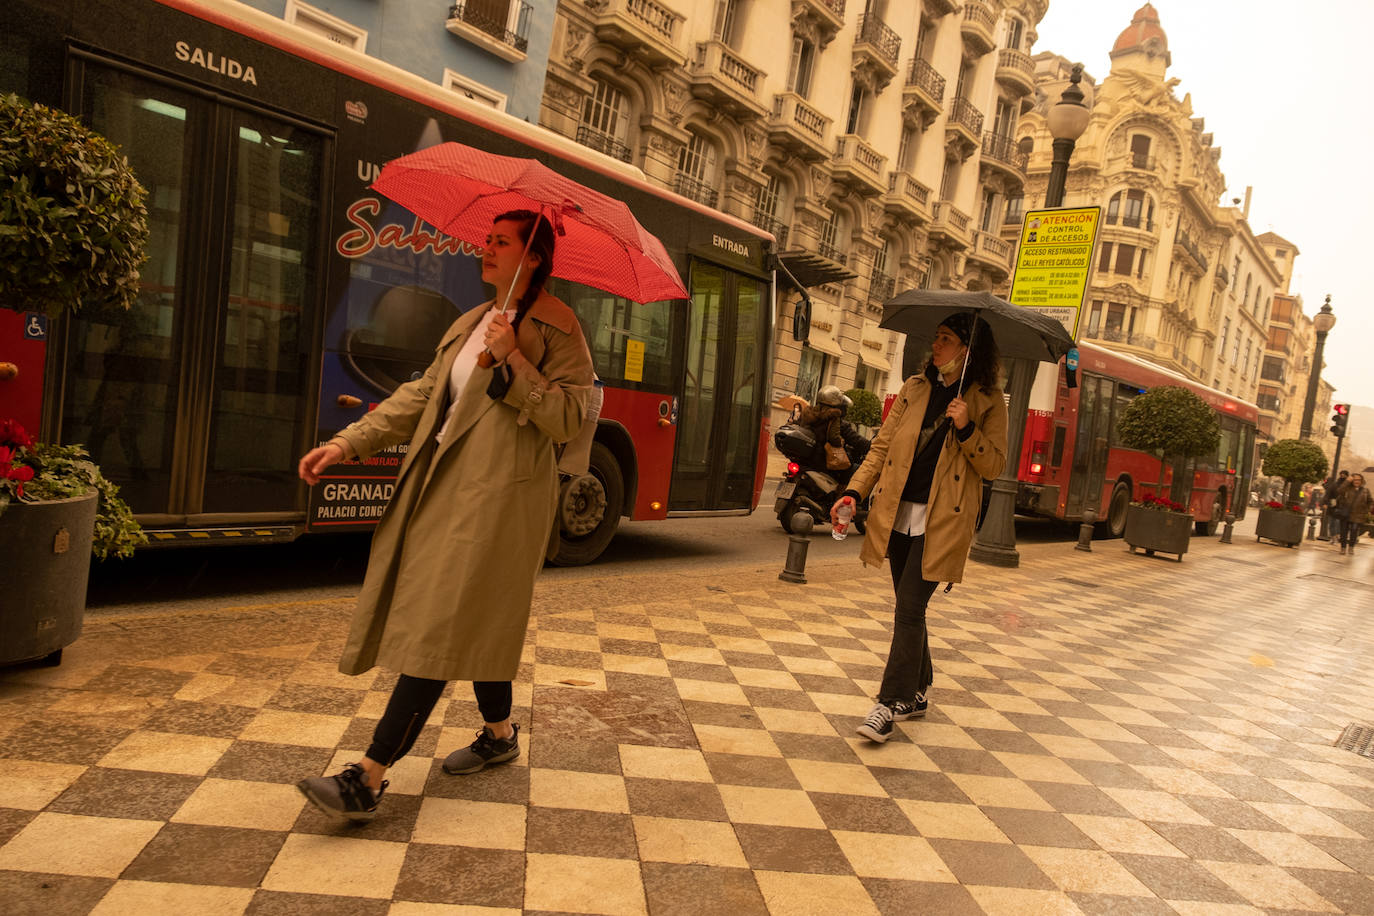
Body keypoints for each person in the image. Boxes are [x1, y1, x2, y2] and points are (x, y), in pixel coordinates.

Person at [294, 210, 594, 820]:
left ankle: (369, 777)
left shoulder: (561, 331)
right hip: (440, 487)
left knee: (440, 625)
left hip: (500, 501)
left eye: (501, 242)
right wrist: (348, 442)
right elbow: (421, 395)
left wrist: (516, 362)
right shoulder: (471, 321)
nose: (485, 249)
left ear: (532, 256)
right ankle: (501, 737)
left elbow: (568, 419)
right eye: (486, 239)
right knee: (473, 620)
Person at [831, 312, 1008, 743]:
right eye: (936, 337)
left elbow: (994, 465)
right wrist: (853, 492)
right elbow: (882, 447)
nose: (936, 345)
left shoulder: (987, 401)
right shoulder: (915, 388)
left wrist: (966, 428)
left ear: (966, 349)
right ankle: (919, 691)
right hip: (897, 513)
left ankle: (888, 705)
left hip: (942, 520)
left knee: (909, 607)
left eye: (946, 339)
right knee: (909, 606)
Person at [797, 385, 869, 475]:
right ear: (836, 404)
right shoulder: (834, 418)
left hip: (806, 459)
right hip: (824, 461)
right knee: (856, 470)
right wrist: (870, 446)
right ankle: (843, 489)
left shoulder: (808, 414)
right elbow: (851, 439)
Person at [1333, 472, 1369, 555]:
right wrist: (1347, 481)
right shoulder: (1347, 488)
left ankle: (1351, 548)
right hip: (1346, 514)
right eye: (1355, 480)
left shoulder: (1365, 490)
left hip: (1357, 515)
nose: (1357, 481)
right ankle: (1343, 548)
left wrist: (1366, 510)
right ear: (1352, 481)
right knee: (1343, 532)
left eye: (1359, 480)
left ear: (1362, 481)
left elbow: (1370, 501)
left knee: (1354, 532)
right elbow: (1339, 490)